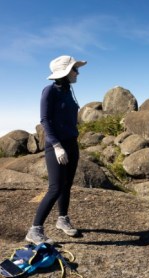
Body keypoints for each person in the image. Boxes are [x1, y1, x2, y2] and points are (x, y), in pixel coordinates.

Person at [25, 55, 87, 244]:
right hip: (56, 145)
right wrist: (57, 146)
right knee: (55, 187)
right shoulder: (49, 91)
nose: (78, 72)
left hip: (71, 143)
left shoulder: (68, 90)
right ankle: (35, 230)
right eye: (75, 69)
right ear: (66, 72)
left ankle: (62, 219)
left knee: (67, 184)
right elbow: (45, 120)